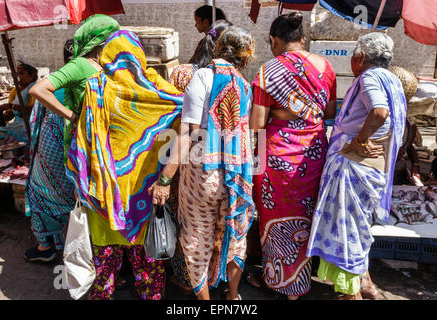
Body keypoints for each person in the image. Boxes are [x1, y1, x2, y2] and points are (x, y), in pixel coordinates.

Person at [66, 30, 183, 300]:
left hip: (105, 193)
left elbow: (84, 139)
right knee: (148, 265)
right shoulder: (155, 85)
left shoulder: (96, 88)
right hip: (145, 192)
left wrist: (82, 182)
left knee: (104, 265)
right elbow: (182, 110)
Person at [149, 25, 256, 300]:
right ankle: (233, 296)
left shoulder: (202, 78)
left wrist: (165, 179)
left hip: (202, 177)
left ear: (218, 48)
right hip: (237, 178)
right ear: (244, 57)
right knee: (234, 237)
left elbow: (187, 133)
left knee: (197, 241)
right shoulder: (244, 85)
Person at [306, 32, 407, 300]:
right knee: (357, 226)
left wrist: (358, 141)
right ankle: (365, 283)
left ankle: (352, 295)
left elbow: (379, 112)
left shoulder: (370, 77)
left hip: (354, 166)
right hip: (369, 166)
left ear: (360, 57)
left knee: (347, 228)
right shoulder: (391, 79)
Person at [250, 12, 336, 300]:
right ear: (302, 39)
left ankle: (279, 281)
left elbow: (257, 124)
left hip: (276, 159)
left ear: (274, 40)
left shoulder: (268, 71)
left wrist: (278, 112)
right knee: (305, 216)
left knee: (275, 216)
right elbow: (330, 114)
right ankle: (299, 283)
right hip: (313, 156)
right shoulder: (326, 67)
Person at [167, 19, 232, 295]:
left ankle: (187, 277)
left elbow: (173, 119)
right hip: (218, 161)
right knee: (216, 224)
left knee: (188, 226)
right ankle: (214, 277)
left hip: (180, 159)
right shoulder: (231, 78)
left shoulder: (181, 73)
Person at [29, 14, 120, 163]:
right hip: (89, 143)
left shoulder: (110, 65)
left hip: (109, 141)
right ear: (100, 42)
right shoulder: (80, 65)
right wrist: (73, 117)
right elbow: (38, 90)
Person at [23, 40, 77, 262]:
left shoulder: (54, 81)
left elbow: (36, 120)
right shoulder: (94, 82)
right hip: (77, 155)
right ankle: (70, 245)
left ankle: (47, 246)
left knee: (39, 194)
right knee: (73, 200)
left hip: (50, 150)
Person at [0, 63, 38, 145]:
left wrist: (11, 106)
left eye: (21, 73)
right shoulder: (15, 91)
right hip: (18, 124)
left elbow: (33, 110)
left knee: (15, 138)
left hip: (32, 124)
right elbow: (11, 115)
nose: (18, 77)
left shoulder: (36, 90)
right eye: (17, 74)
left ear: (31, 76)